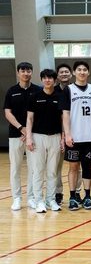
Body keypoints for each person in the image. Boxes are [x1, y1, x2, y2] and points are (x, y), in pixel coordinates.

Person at [61, 61, 91, 210]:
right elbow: (65, 114)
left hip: (90, 137)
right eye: (79, 69)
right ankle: (72, 197)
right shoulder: (68, 90)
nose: (82, 72)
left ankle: (88, 197)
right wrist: (67, 134)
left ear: (88, 72)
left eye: (85, 69)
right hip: (74, 137)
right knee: (73, 167)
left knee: (87, 167)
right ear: (74, 72)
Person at [4, 61, 40, 211]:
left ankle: (31, 198)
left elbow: (40, 113)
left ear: (32, 72)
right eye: (23, 71)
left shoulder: (38, 90)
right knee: (15, 168)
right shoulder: (11, 91)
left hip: (33, 136)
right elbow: (7, 113)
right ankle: (17, 198)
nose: (26, 73)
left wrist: (29, 132)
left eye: (28, 71)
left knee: (34, 168)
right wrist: (21, 128)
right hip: (15, 135)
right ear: (18, 73)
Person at [25, 69, 61, 213]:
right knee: (38, 171)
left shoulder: (60, 96)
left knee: (52, 171)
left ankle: (50, 200)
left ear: (55, 80)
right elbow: (29, 118)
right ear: (41, 80)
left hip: (55, 137)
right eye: (45, 78)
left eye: (50, 78)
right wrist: (29, 137)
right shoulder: (34, 96)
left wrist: (63, 137)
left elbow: (63, 119)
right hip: (37, 136)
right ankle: (38, 200)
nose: (47, 80)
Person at [54, 63, 72, 205]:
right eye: (61, 72)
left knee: (75, 165)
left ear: (71, 74)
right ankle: (58, 192)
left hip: (74, 134)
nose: (64, 74)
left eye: (67, 72)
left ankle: (76, 192)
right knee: (56, 166)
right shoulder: (52, 91)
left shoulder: (75, 90)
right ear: (57, 75)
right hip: (57, 134)